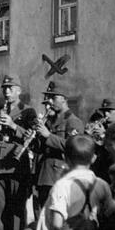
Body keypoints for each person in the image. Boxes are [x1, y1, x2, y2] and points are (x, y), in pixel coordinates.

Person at [0, 74, 33, 230]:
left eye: (10, 88)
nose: (6, 92)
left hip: (16, 165)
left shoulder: (27, 111)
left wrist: (13, 125)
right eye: (4, 88)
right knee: (0, 210)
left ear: (19, 90)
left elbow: (31, 137)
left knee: (15, 210)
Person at [34, 81, 84, 212]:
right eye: (49, 97)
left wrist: (48, 135)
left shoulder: (73, 121)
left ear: (64, 99)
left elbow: (74, 146)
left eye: (54, 97)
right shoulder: (50, 120)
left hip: (58, 174)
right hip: (43, 173)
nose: (50, 101)